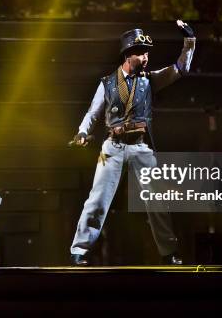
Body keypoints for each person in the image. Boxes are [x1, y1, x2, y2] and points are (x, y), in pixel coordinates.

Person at [69, 20, 196, 266]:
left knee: (157, 199)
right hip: (112, 146)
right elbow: (93, 113)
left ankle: (169, 252)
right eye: (141, 52)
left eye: (147, 52)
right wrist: (82, 132)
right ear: (128, 54)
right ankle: (79, 250)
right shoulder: (107, 83)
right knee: (97, 200)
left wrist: (189, 41)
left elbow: (180, 68)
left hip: (141, 145)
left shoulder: (150, 80)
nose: (146, 57)